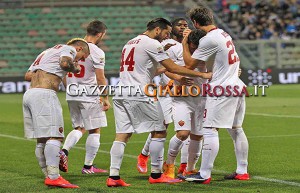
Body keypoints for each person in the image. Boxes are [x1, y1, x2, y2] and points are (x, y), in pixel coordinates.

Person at [106, 17, 212, 187]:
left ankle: (114, 176)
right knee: (160, 130)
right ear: (157, 30)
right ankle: (156, 174)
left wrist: (163, 69)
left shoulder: (130, 43)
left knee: (122, 135)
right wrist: (202, 75)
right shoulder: (152, 44)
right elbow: (173, 67)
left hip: (121, 92)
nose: (166, 37)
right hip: (141, 92)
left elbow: (149, 69)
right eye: (165, 33)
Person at [182, 5, 250, 183]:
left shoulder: (208, 40)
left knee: (209, 130)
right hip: (236, 85)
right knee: (236, 129)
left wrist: (184, 42)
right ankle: (242, 170)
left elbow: (189, 65)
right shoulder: (224, 34)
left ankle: (204, 174)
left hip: (221, 89)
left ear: (195, 23)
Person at [23, 38, 90, 188]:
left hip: (30, 94)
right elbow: (65, 63)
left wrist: (49, 76)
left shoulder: (47, 52)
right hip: (45, 95)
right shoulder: (69, 50)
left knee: (41, 139)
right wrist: (75, 68)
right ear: (79, 49)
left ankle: (49, 175)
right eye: (83, 57)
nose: (81, 60)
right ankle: (54, 177)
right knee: (56, 136)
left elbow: (27, 75)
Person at [137, 18, 192, 175]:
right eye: (179, 25)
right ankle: (143, 155)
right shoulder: (166, 44)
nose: (182, 27)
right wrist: (177, 77)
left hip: (186, 92)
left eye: (185, 25)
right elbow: (163, 67)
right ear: (171, 29)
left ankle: (183, 165)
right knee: (162, 126)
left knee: (186, 129)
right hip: (167, 91)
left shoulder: (191, 44)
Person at [59, 20, 110, 174]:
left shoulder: (70, 48)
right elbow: (101, 78)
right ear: (100, 34)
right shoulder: (97, 52)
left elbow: (62, 71)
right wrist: (106, 98)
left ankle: (64, 151)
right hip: (89, 94)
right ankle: (88, 167)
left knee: (79, 127)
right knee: (94, 130)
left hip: (72, 93)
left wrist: (70, 88)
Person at [163, 29, 208, 179]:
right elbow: (166, 69)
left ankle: (190, 169)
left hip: (202, 98)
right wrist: (178, 77)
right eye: (193, 45)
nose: (195, 49)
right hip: (181, 97)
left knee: (198, 135)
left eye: (198, 46)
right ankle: (169, 165)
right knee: (183, 133)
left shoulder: (208, 51)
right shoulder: (175, 50)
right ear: (188, 42)